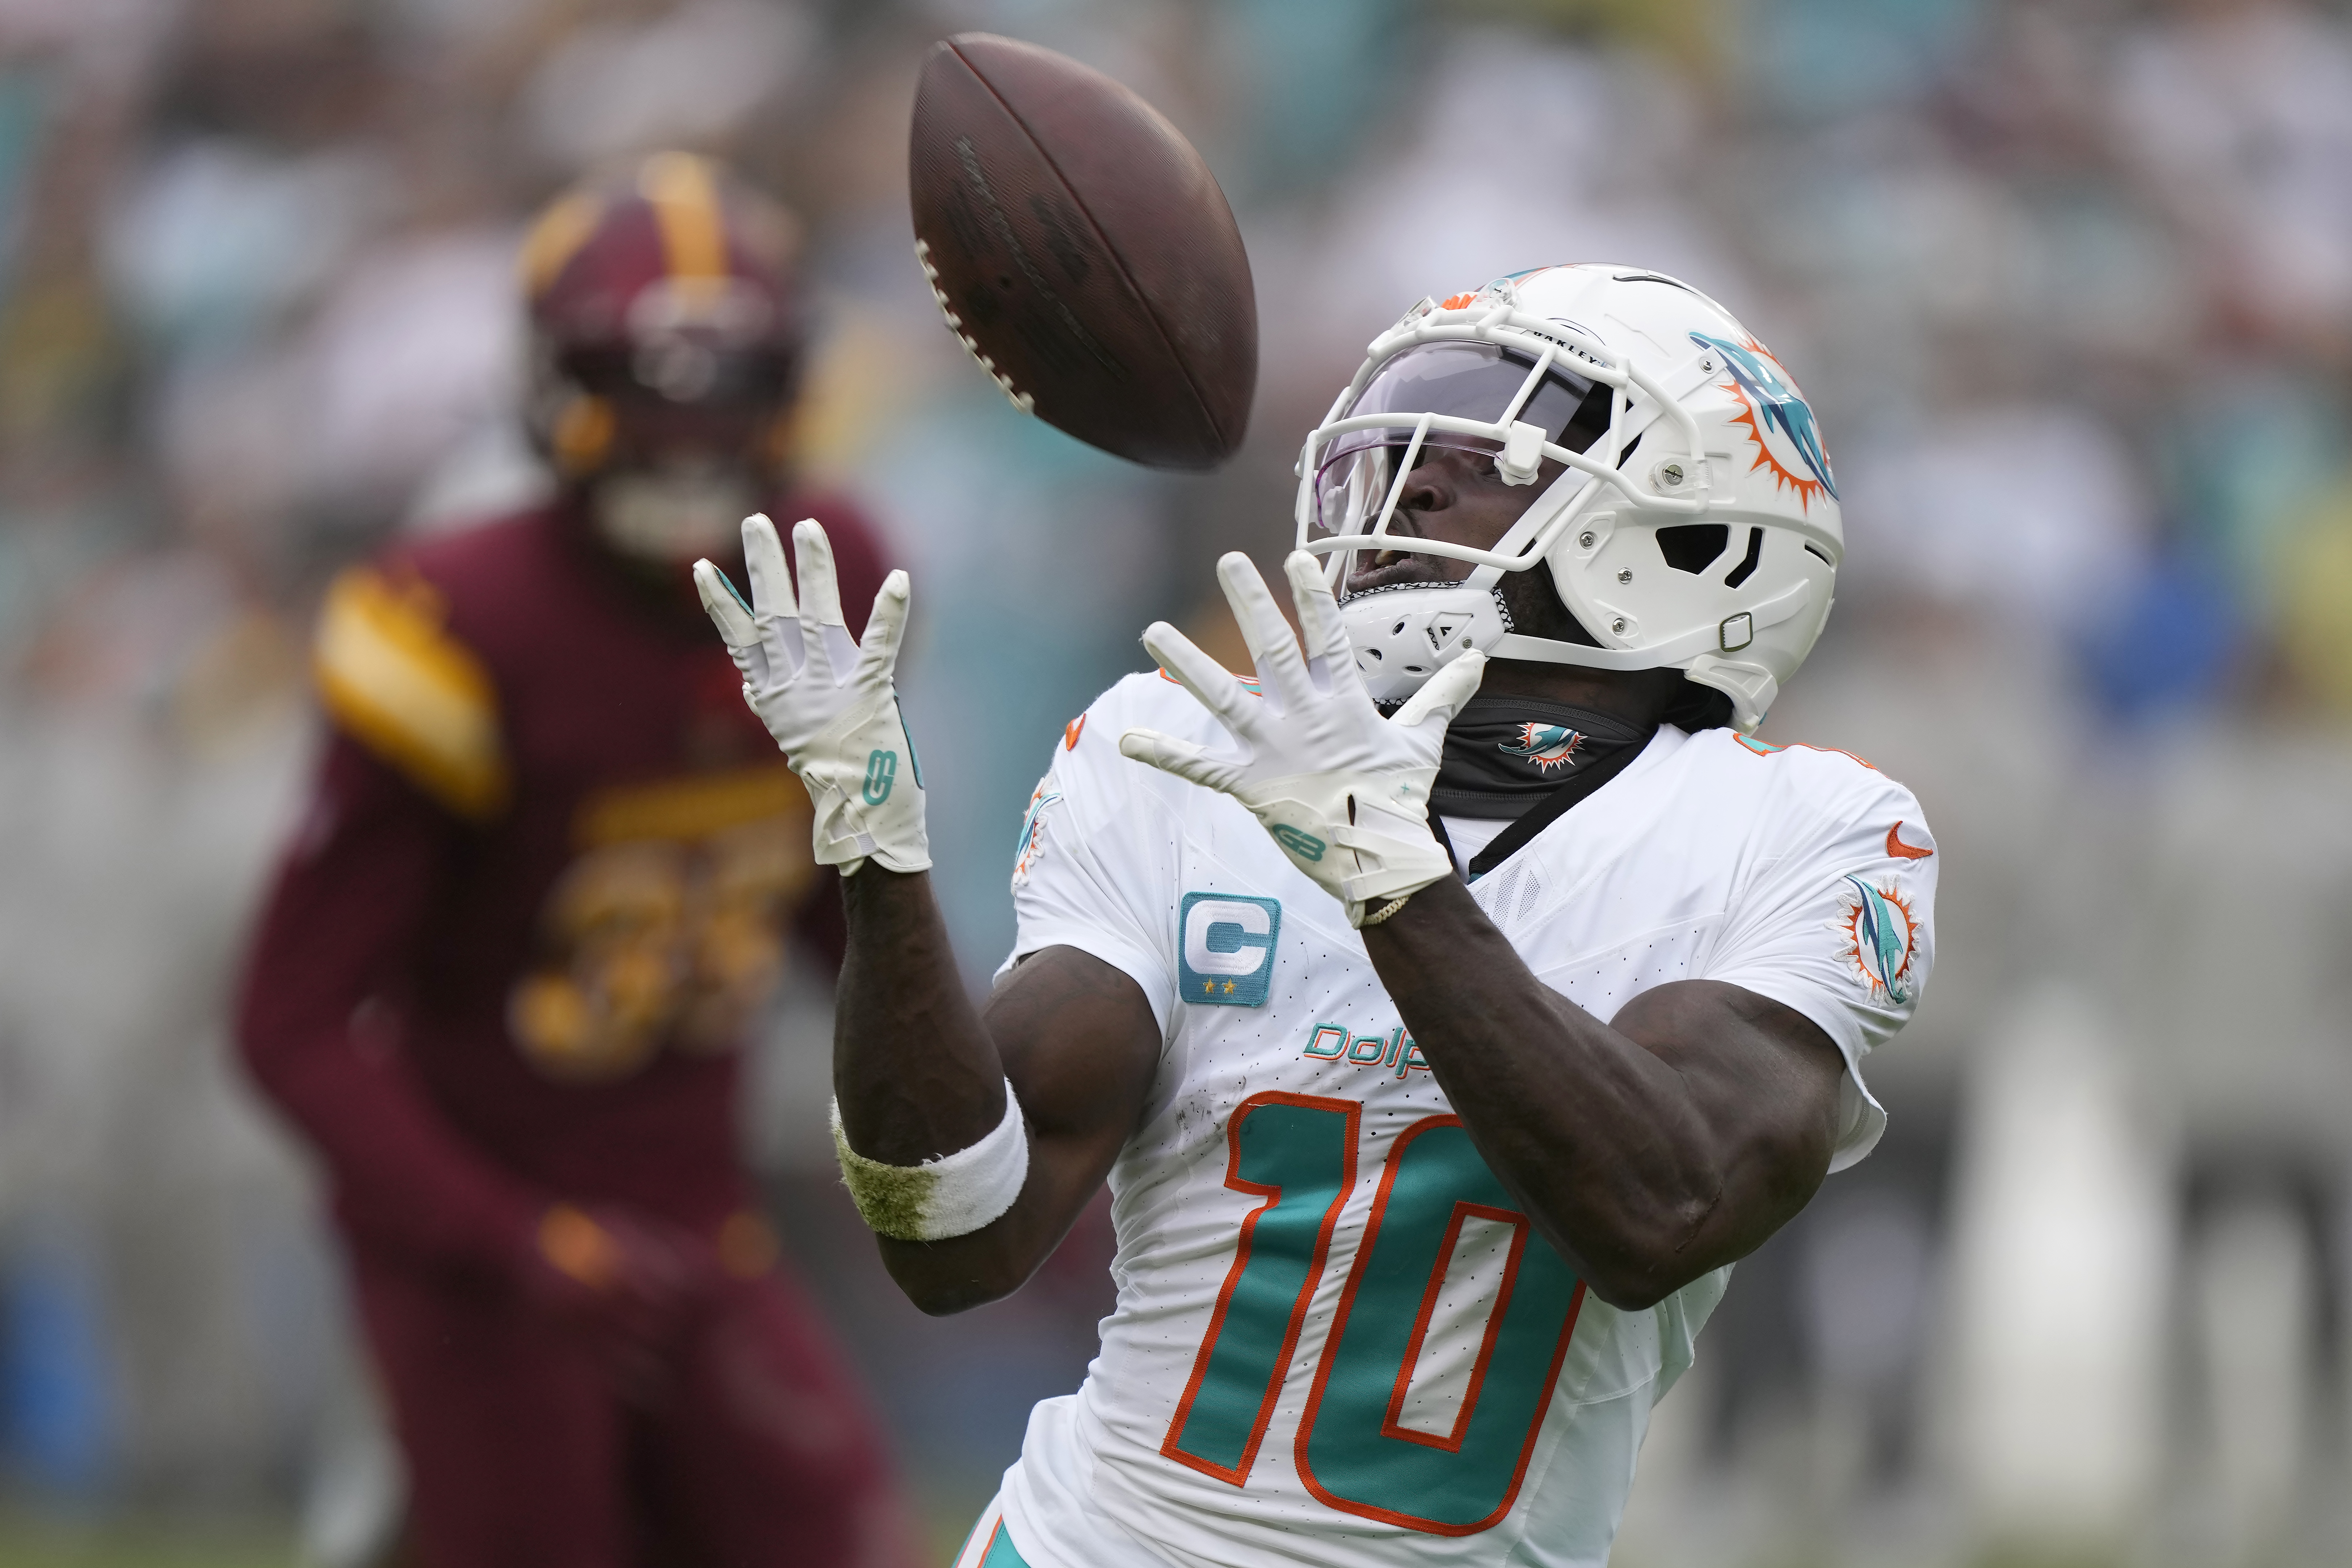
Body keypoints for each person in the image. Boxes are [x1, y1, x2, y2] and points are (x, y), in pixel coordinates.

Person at [695, 263, 1938, 1568]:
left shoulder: (1804, 831)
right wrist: (875, 852)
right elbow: (953, 1237)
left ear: (1691, 539)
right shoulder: (1176, 747)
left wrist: (1395, 883)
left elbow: (1659, 1212)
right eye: (1400, 447)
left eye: (1485, 454)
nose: (1411, 487)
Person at [236, 153, 908, 1568]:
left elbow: (838, 914)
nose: (688, 438)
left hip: (697, 1215)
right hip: (488, 1247)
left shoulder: (822, 563)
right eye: (646, 390)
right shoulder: (460, 620)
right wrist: (506, 1236)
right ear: (554, 386)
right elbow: (289, 1022)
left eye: (727, 390)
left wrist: (979, 1087)